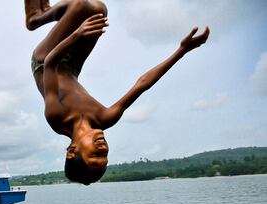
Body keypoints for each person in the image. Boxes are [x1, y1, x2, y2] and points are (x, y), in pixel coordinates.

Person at [24, 0, 210, 185]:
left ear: (72, 151)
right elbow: (142, 84)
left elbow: (50, 63)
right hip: (72, 67)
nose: (103, 148)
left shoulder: (57, 116)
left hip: (44, 59)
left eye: (95, 153)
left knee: (81, 6)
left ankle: (35, 18)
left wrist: (76, 35)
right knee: (98, 10)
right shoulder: (106, 117)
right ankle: (49, 12)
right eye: (105, 154)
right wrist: (182, 50)